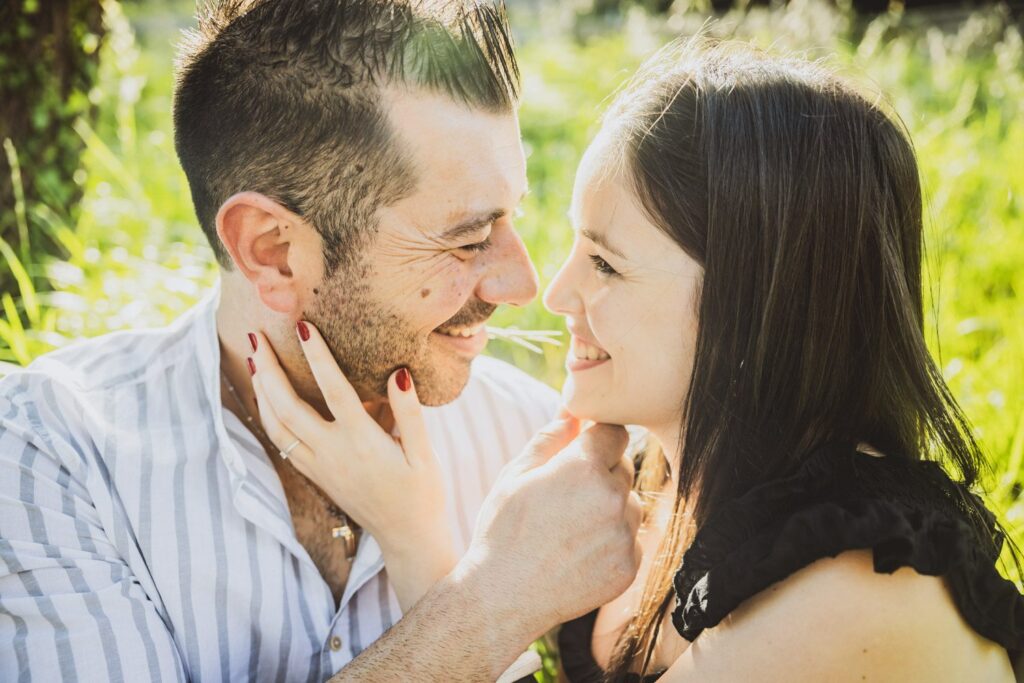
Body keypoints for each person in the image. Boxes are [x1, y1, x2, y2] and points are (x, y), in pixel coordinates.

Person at [261, 36, 1024, 682]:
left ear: (753, 307)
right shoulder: (648, 484)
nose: (554, 292)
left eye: (607, 264)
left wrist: (431, 551)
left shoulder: (851, 585)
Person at [0, 1, 642, 680]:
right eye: (468, 238)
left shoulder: (537, 446)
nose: (522, 283)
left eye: (511, 218)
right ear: (272, 251)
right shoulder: (53, 454)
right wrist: (488, 604)